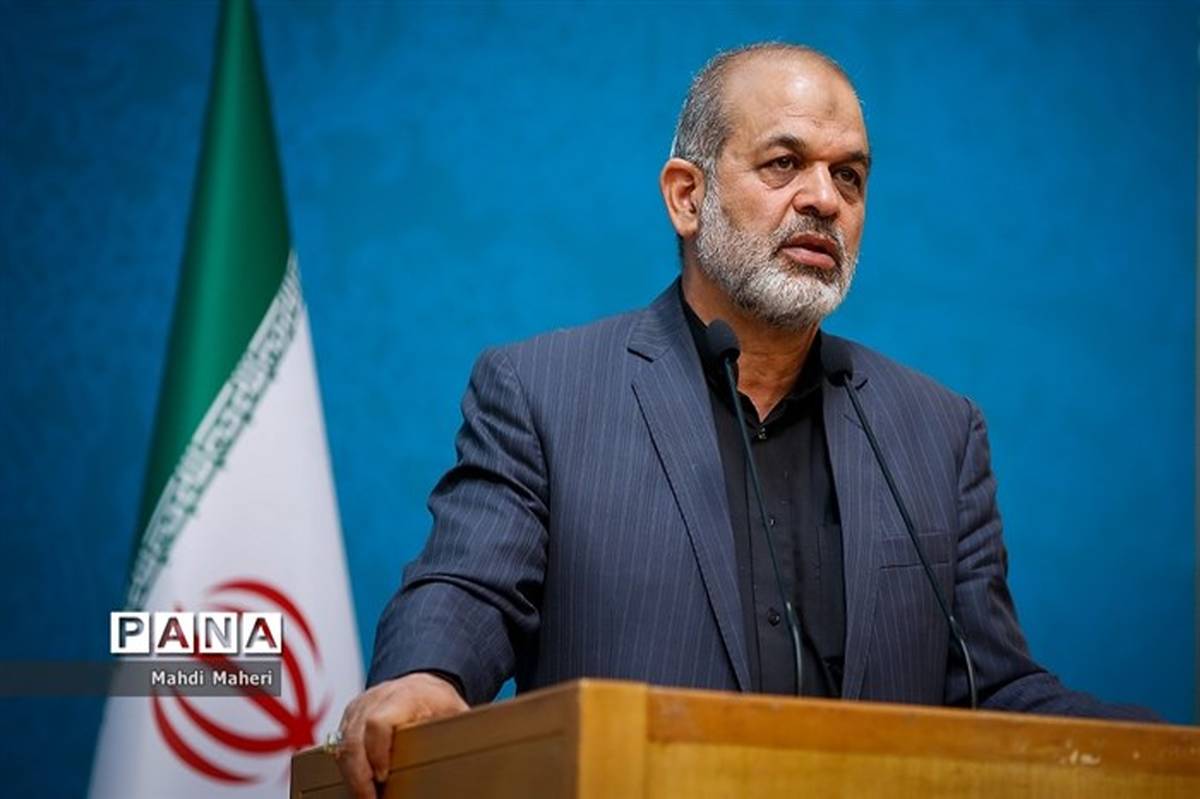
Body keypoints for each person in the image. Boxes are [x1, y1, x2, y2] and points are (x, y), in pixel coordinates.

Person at [333, 42, 1155, 797]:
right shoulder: (543, 392)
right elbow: (469, 586)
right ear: (686, 197)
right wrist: (427, 674)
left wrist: (1161, 749)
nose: (824, 199)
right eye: (784, 163)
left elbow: (991, 690)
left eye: (850, 176)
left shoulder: (938, 432)